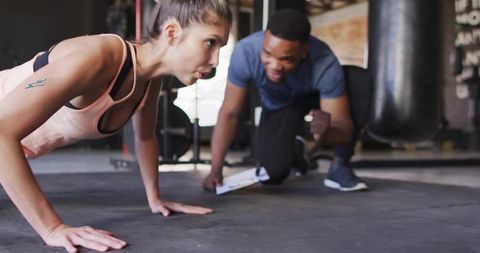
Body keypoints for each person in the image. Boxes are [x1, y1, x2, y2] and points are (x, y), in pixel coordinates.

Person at [0, 0, 231, 252]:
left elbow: (145, 138)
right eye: (210, 42)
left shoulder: (149, 82)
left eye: (220, 46)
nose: (216, 60)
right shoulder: (97, 58)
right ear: (172, 33)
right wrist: (52, 228)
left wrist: (154, 199)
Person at [202, 8, 368, 192]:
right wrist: (215, 171)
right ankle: (295, 150)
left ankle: (340, 166)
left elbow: (343, 130)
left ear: (304, 51)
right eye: (267, 54)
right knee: (272, 174)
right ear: (264, 39)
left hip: (314, 98)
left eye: (286, 59)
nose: (274, 66)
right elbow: (229, 113)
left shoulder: (325, 63)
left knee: (357, 80)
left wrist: (324, 132)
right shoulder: (246, 52)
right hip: (280, 106)